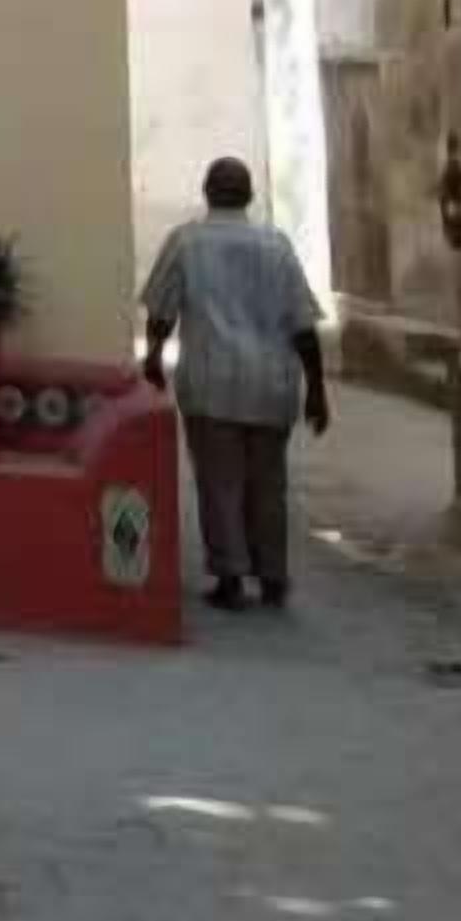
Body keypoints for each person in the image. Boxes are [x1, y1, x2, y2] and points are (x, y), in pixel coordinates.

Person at [140, 155, 329, 613]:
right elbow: (303, 324)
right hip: (272, 384)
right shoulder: (277, 245)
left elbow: (162, 310)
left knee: (219, 481)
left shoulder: (187, 241)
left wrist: (153, 356)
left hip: (213, 382)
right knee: (268, 484)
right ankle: (273, 576)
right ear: (249, 195)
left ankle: (230, 576)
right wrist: (317, 388)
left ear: (207, 192)